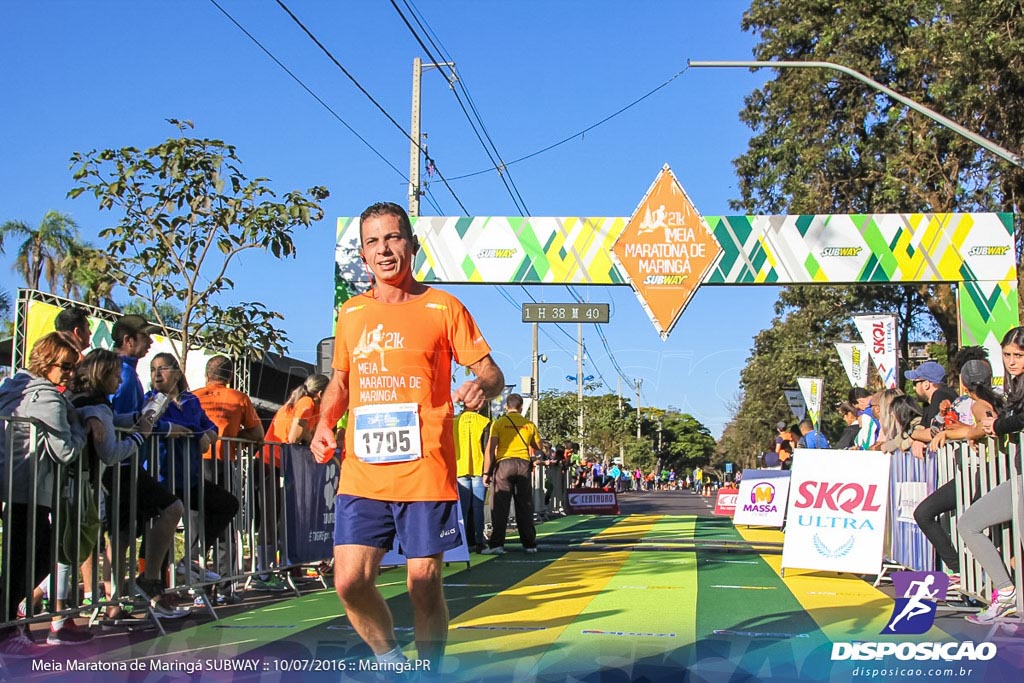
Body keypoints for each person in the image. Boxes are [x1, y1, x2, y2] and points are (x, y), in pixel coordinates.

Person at [310, 201, 504, 671]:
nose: (385, 250)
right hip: (364, 471)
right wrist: (323, 423)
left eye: (394, 238)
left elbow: (492, 373)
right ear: (362, 253)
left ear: (412, 245)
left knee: (422, 582)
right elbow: (340, 383)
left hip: (425, 471)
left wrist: (483, 388)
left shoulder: (444, 307)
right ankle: (393, 662)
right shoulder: (352, 313)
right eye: (373, 241)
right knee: (349, 582)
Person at [68, 349, 185, 620]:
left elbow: (111, 420)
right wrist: (141, 436)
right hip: (106, 473)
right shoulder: (92, 401)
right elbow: (110, 451)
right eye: (115, 377)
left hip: (109, 474)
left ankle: (114, 604)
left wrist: (140, 419)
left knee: (119, 535)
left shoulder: (97, 403)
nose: (120, 382)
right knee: (73, 546)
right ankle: (54, 613)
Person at [0, 332, 86, 655]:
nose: (69, 374)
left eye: (72, 367)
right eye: (65, 366)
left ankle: (11, 628)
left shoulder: (11, 388)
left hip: (14, 486)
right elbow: (66, 451)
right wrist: (80, 426)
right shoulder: (46, 396)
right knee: (35, 558)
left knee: (21, 560)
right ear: (46, 363)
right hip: (30, 487)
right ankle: (9, 631)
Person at [145, 352, 239, 592]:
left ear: (176, 372)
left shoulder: (191, 401)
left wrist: (206, 435)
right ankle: (153, 590)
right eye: (152, 369)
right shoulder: (152, 399)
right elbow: (148, 424)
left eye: (162, 368)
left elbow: (210, 429)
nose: (156, 374)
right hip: (162, 476)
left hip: (190, 477)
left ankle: (193, 558)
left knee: (227, 503)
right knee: (161, 533)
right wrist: (188, 432)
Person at [916, 357, 997, 589]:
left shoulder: (981, 403)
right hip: (973, 474)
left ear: (962, 382)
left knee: (940, 517)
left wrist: (968, 433)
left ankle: (979, 579)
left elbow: (987, 424)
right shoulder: (961, 402)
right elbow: (938, 429)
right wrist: (944, 423)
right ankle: (972, 576)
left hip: (982, 473)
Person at [966, 327, 1024, 624]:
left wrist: (999, 426)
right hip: (1018, 477)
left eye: (1019, 355)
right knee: (969, 523)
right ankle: (1006, 592)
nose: (1012, 361)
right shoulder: (1013, 387)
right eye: (1008, 355)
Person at [194, 355, 264, 600]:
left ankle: (199, 590)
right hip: (223, 465)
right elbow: (257, 433)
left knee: (197, 527)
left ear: (206, 375)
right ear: (231, 376)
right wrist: (234, 437)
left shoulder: (192, 396)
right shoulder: (238, 398)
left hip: (194, 466)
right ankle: (225, 588)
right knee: (225, 526)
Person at [482, 393, 541, 554]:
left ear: (506, 407)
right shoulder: (529, 424)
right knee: (524, 505)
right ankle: (529, 544)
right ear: (521, 407)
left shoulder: (499, 423)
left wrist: (486, 472)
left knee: (500, 505)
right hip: (523, 465)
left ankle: (497, 545)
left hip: (504, 465)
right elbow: (538, 445)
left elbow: (490, 449)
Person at [454, 405, 490, 553]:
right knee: (478, 507)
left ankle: (462, 543)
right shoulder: (484, 421)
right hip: (478, 467)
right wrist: (488, 471)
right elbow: (487, 448)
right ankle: (479, 542)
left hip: (460, 468)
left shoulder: (454, 421)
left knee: (463, 509)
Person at [110, 314, 160, 415]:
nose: (151, 341)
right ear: (128, 340)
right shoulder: (125, 373)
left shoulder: (121, 369)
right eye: (145, 336)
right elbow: (122, 422)